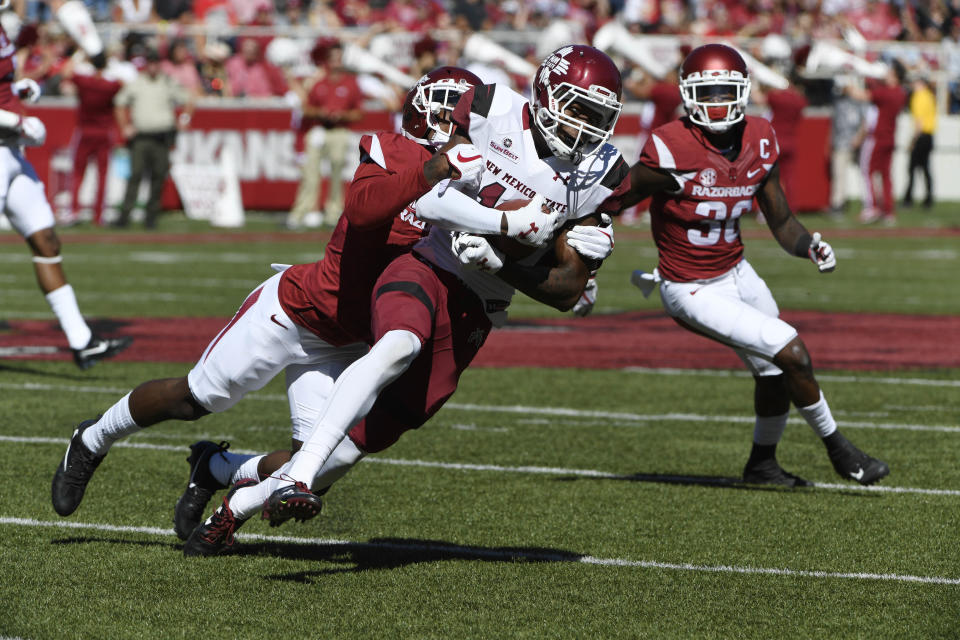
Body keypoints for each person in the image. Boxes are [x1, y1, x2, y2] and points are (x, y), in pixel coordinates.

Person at [50, 66, 607, 539]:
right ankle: (93, 436)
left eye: (459, 120)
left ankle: (216, 467)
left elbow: (524, 229)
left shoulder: (482, 177)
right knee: (197, 396)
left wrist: (575, 255)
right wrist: (436, 171)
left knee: (311, 459)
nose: (451, 129)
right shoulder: (393, 150)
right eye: (445, 117)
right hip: (300, 310)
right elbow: (365, 210)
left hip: (353, 341)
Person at [181, 44, 630, 556]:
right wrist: (503, 223)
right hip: (428, 263)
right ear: (547, 91)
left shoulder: (602, 174)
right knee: (397, 344)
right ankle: (297, 476)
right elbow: (432, 196)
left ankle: (232, 507)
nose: (586, 127)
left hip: (480, 307)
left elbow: (567, 291)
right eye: (578, 109)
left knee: (361, 444)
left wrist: (503, 262)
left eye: (600, 117)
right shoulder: (489, 110)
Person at [621, 44, 888, 488]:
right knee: (792, 351)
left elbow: (780, 218)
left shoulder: (761, 136)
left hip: (736, 270)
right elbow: (615, 198)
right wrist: (580, 256)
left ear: (744, 91)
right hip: (690, 286)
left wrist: (808, 246)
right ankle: (841, 452)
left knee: (773, 370)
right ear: (688, 95)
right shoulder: (671, 147)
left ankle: (762, 466)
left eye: (726, 91)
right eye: (706, 94)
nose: (717, 103)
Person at [0, 24, 131, 368]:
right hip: (4, 144)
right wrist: (16, 122)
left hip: (12, 154)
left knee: (46, 240)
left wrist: (17, 88)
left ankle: (81, 341)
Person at [285, 39, 364, 229]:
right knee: (310, 173)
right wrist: (321, 113)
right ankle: (300, 212)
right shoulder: (319, 82)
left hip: (339, 130)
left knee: (337, 173)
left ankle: (333, 213)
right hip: (319, 129)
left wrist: (341, 115)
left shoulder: (351, 83)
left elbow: (359, 113)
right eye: (332, 59)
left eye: (338, 59)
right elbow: (306, 109)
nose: (336, 63)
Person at [113, 47, 194, 229]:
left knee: (158, 177)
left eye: (156, 63)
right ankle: (125, 215)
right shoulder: (137, 83)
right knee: (135, 176)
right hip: (141, 137)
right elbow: (119, 103)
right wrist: (125, 126)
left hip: (162, 137)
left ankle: (151, 216)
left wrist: (184, 118)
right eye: (150, 63)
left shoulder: (167, 82)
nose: (153, 67)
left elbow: (188, 99)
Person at [62, 52, 122, 226]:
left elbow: (66, 72)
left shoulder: (84, 82)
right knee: (102, 174)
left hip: (85, 130)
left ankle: (73, 210)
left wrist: (80, 55)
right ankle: (99, 214)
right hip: (104, 131)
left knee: (77, 172)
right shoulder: (110, 85)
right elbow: (123, 83)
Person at [845, 62, 908, 225]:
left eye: (889, 72)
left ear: (895, 75)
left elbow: (860, 95)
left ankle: (871, 207)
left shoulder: (886, 93)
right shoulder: (900, 93)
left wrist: (848, 84)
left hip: (877, 137)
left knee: (867, 171)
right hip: (890, 137)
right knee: (886, 175)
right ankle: (888, 211)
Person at [828, 77, 867, 216]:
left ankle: (868, 202)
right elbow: (835, 125)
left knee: (865, 174)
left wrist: (859, 138)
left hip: (857, 142)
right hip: (840, 142)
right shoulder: (838, 102)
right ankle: (838, 204)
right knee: (839, 174)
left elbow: (865, 122)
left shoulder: (859, 102)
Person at [902, 76, 935, 208]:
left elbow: (919, 123)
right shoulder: (929, 96)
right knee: (925, 169)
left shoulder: (919, 97)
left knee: (912, 169)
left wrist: (913, 141)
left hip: (921, 137)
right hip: (929, 136)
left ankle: (908, 199)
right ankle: (928, 199)